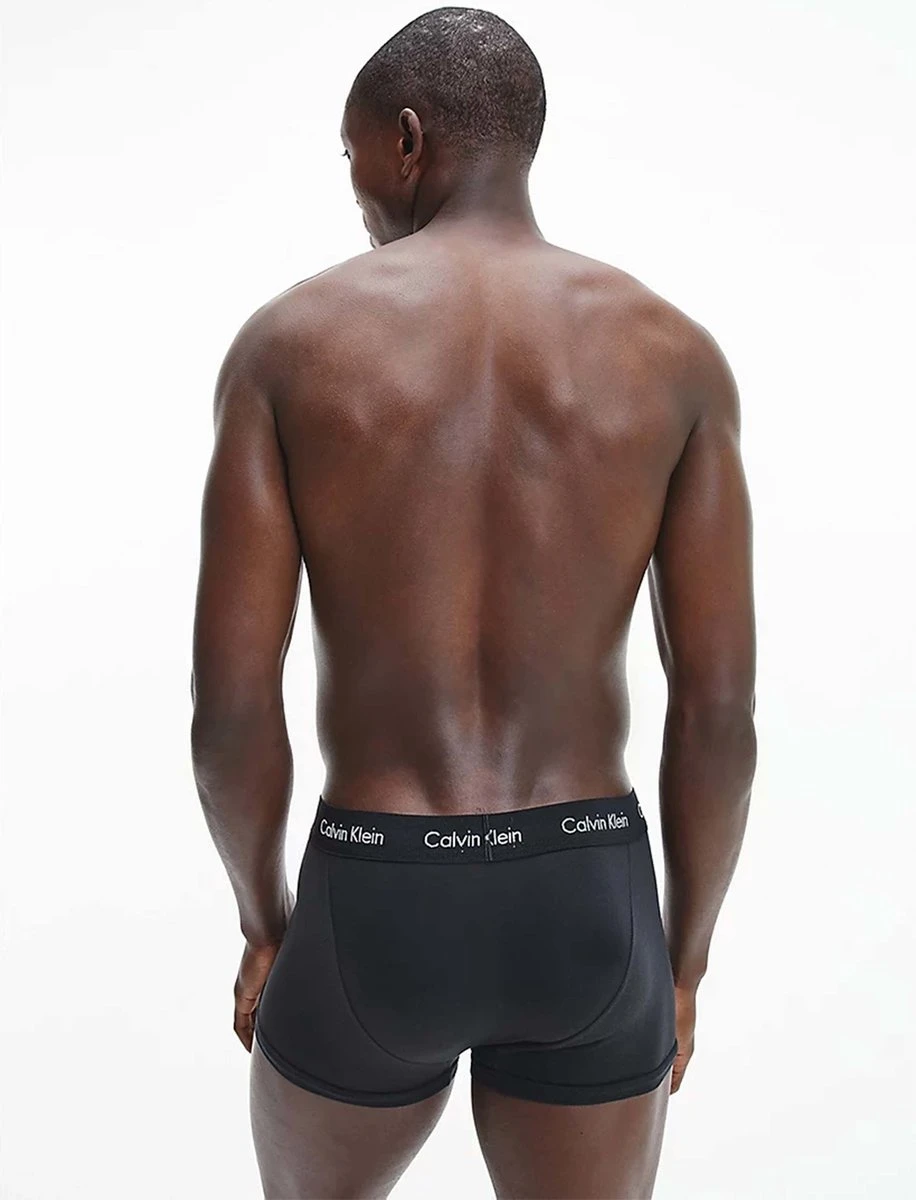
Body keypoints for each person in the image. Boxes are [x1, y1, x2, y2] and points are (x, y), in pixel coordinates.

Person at [190, 7, 757, 1197]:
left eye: (352, 155)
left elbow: (232, 708)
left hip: (375, 896)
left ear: (407, 141)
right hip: (590, 898)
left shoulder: (289, 348)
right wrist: (681, 961)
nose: (354, 190)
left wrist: (265, 922)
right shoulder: (674, 356)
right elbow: (717, 715)